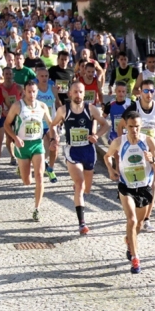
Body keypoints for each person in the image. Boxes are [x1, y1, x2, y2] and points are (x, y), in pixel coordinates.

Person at [104, 110, 155, 273]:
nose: (134, 130)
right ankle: (136, 259)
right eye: (130, 127)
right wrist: (110, 169)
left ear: (141, 125)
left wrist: (151, 160)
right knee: (131, 220)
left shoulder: (149, 142)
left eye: (137, 126)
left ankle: (130, 242)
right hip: (126, 187)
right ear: (125, 126)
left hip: (144, 187)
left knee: (139, 223)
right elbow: (107, 156)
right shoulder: (118, 142)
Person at [51, 82, 110, 234]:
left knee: (87, 189)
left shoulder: (91, 109)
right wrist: (55, 137)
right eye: (75, 92)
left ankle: (78, 190)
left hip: (88, 151)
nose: (78, 95)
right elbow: (53, 125)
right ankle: (82, 224)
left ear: (84, 94)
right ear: (70, 93)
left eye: (81, 92)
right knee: (80, 184)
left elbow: (106, 125)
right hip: (73, 151)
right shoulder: (63, 110)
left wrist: (96, 135)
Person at [119, 79, 155, 231]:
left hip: (151, 151)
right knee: (136, 181)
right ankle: (135, 209)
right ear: (140, 92)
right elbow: (121, 125)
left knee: (151, 184)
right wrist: (121, 144)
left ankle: (147, 218)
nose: (149, 94)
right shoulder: (134, 108)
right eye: (146, 91)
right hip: (134, 152)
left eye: (151, 91)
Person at [4, 80, 57, 222]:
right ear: (24, 92)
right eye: (29, 91)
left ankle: (37, 209)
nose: (32, 94)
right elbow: (6, 124)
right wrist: (15, 138)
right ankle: (21, 170)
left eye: (34, 91)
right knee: (27, 181)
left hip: (37, 144)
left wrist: (53, 138)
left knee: (39, 176)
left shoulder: (42, 106)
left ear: (37, 92)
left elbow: (51, 124)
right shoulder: (17, 106)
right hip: (22, 146)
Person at [36, 68, 62, 183]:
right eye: (41, 76)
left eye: (46, 76)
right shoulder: (34, 91)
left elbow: (58, 104)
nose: (44, 78)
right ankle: (23, 163)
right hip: (36, 124)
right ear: (37, 77)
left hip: (50, 123)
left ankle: (50, 169)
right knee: (34, 149)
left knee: (55, 145)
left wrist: (61, 117)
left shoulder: (53, 89)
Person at [0, 67, 23, 166]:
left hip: (17, 115)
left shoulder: (18, 88)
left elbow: (23, 99)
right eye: (6, 74)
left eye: (10, 74)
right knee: (9, 136)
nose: (8, 76)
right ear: (3, 75)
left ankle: (21, 155)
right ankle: (12, 156)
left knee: (19, 136)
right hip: (5, 115)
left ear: (13, 75)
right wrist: (2, 110)